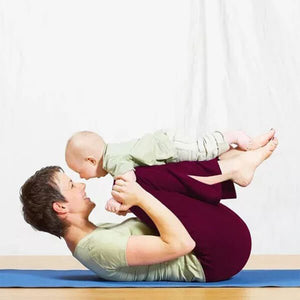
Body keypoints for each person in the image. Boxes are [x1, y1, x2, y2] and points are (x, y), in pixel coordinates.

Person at [19, 132, 278, 282]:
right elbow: (180, 245)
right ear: (60, 208)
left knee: (133, 176)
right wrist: (139, 199)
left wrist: (134, 204)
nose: (82, 185)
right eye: (72, 186)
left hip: (222, 249)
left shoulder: (92, 237)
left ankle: (231, 163)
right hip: (217, 258)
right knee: (135, 179)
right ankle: (230, 165)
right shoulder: (96, 248)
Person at [65, 128, 275, 214]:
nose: (81, 176)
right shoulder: (113, 156)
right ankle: (245, 148)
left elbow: (128, 180)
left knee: (202, 150)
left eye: (79, 171)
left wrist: (118, 200)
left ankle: (234, 136)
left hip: (169, 148)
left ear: (92, 160)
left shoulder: (112, 160)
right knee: (206, 156)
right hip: (164, 147)